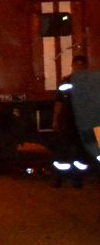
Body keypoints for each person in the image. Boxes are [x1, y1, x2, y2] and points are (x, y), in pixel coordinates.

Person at [51, 54, 90, 188]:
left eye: (81, 66)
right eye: (76, 65)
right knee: (63, 151)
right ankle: (59, 179)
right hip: (67, 121)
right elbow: (59, 102)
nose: (79, 68)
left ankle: (77, 180)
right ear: (72, 66)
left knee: (81, 152)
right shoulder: (65, 83)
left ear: (85, 67)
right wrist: (55, 120)